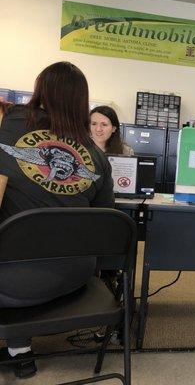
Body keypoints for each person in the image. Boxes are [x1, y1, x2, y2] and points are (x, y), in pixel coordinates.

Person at [0, 61, 114, 378]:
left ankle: (19, 349)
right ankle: (19, 352)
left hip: (12, 279)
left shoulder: (12, 125)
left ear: (40, 91)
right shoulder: (97, 155)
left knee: (14, 249)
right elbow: (106, 226)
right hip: (75, 276)